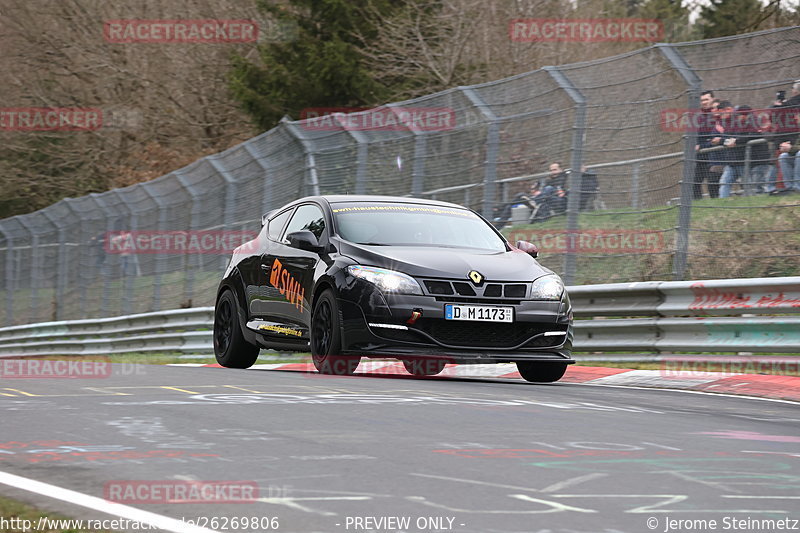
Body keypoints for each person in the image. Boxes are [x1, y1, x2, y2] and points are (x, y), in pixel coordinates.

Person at [718, 105, 772, 198]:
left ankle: (758, 203)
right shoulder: (741, 123)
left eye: (739, 115)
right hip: (749, 159)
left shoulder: (755, 121)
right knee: (750, 184)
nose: (738, 117)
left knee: (756, 185)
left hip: (760, 159)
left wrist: (736, 141)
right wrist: (729, 141)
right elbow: (736, 137)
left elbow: (753, 135)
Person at [771, 80, 800, 193]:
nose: (794, 117)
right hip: (793, 147)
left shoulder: (791, 104)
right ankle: (790, 188)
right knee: (783, 156)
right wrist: (786, 145)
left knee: (799, 154)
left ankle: (798, 187)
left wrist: (791, 148)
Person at [693, 91, 718, 199]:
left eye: (706, 99)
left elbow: (716, 137)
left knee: (712, 182)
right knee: (694, 182)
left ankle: (716, 203)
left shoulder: (717, 114)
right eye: (702, 100)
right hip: (700, 156)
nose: (704, 102)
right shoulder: (698, 117)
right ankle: (697, 205)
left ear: (712, 99)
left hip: (715, 154)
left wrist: (702, 145)